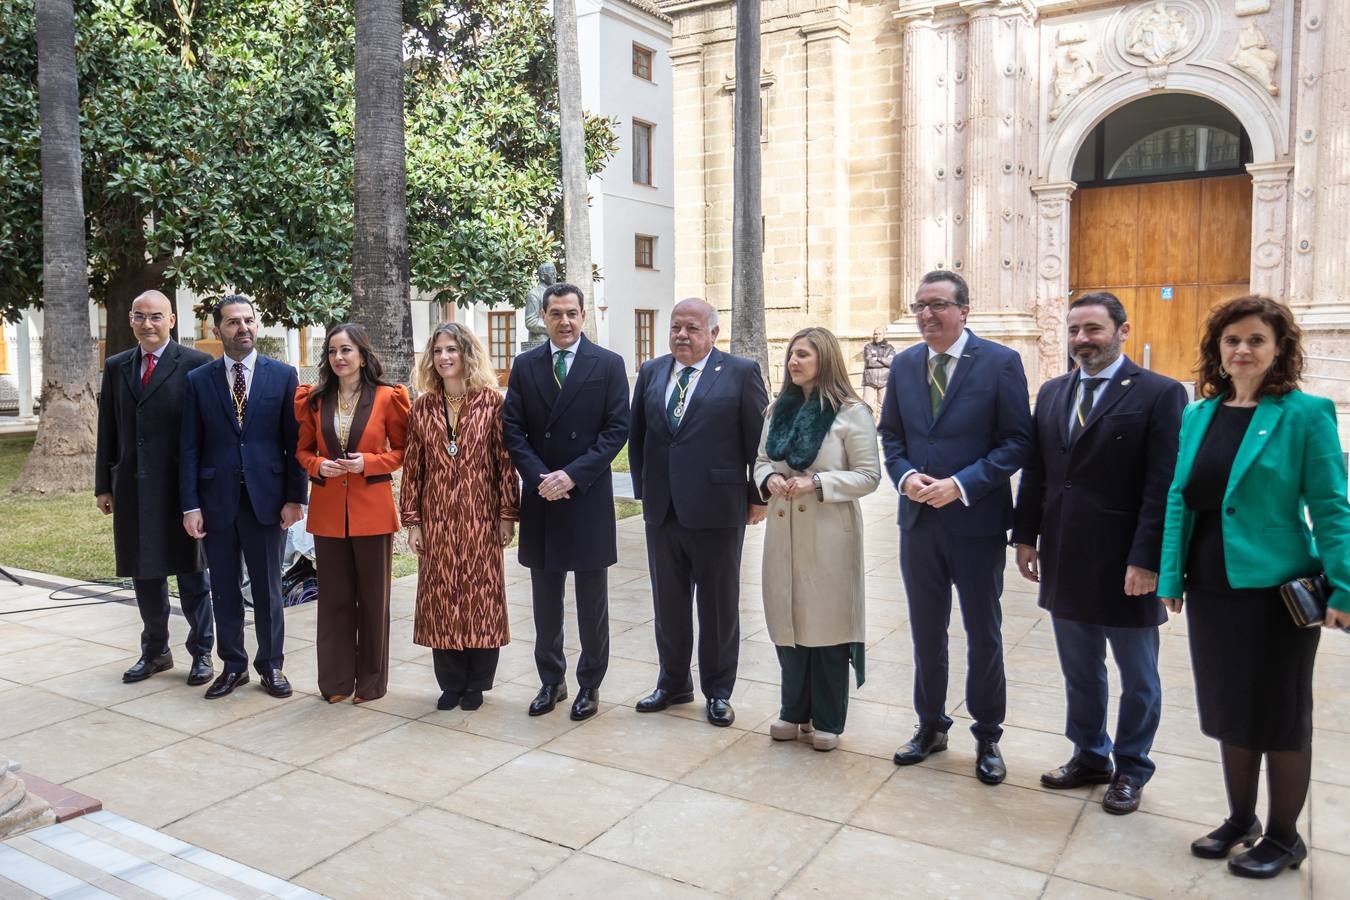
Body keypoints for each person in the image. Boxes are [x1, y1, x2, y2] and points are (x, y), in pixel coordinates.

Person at [1158, 295, 1350, 879]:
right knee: (1229, 707)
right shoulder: (1200, 414)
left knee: (1279, 715)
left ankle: (1285, 837)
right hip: (1211, 586)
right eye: (1232, 340)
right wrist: (1170, 573)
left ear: (1278, 349)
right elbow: (1180, 498)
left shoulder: (1305, 414)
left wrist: (1345, 588)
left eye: (1256, 340)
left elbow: (1332, 507)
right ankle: (1240, 819)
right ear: (1217, 350)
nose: (1242, 350)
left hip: (1276, 594)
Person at [1011, 293, 1187, 815]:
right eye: (1074, 330)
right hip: (1065, 554)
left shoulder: (1160, 393)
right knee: (1081, 670)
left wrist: (1147, 559)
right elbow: (1038, 471)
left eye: (1093, 329)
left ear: (1122, 331)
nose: (1082, 340)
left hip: (1125, 561)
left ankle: (1132, 767)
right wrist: (1026, 536)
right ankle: (1090, 754)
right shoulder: (1053, 391)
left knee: (1139, 676)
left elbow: (1163, 484)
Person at [877, 269, 1032, 785]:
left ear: (964, 310)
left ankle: (988, 735)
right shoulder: (904, 364)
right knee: (926, 631)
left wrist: (962, 485)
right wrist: (905, 478)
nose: (927, 314)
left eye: (938, 305)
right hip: (919, 522)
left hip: (976, 522)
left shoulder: (1000, 362)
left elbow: (1016, 441)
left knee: (983, 632)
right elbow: (891, 436)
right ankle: (930, 725)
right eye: (920, 305)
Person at [628, 298, 768, 727]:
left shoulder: (741, 373)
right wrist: (645, 492)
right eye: (676, 327)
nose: (681, 335)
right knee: (668, 603)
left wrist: (758, 497)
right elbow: (638, 437)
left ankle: (718, 691)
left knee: (718, 605)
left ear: (713, 333)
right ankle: (673, 683)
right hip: (663, 509)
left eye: (691, 328)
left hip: (718, 510)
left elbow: (758, 442)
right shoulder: (652, 372)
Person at [502, 282, 629, 720]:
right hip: (542, 495)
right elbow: (512, 429)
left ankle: (590, 684)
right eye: (556, 313)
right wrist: (541, 477)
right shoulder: (525, 365)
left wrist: (572, 475)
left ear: (583, 316)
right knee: (545, 600)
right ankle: (551, 680)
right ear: (544, 317)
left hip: (587, 496)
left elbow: (616, 430)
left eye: (572, 313)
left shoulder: (608, 364)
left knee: (592, 603)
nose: (565, 321)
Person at [754, 327, 880, 750]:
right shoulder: (777, 410)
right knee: (787, 617)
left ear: (825, 359)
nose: (794, 361)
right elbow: (760, 460)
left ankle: (827, 718)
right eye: (792, 354)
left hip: (829, 533)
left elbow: (869, 475)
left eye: (804, 354)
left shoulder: (851, 413)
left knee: (827, 622)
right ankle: (794, 711)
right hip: (783, 529)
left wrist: (818, 482)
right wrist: (769, 479)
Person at [181, 295, 307, 700]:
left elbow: (295, 442)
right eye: (233, 322)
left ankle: (271, 666)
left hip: (267, 501)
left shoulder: (283, 376)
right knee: (224, 589)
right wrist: (190, 505)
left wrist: (295, 498)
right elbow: (189, 447)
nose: (243, 328)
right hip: (215, 502)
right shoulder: (198, 380)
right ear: (217, 329)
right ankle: (233, 666)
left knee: (269, 589)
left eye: (249, 320)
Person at [95, 290, 215, 686]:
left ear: (172, 320)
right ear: (131, 319)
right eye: (139, 316)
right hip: (132, 487)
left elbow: (207, 433)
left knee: (192, 575)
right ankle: (155, 651)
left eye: (156, 316)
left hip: (182, 490)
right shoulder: (116, 366)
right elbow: (108, 428)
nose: (147, 324)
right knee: (144, 574)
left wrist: (204, 490)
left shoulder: (197, 364)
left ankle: (202, 652)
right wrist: (103, 485)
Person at [401, 323, 519, 711]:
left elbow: (505, 462)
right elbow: (413, 468)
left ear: (467, 354)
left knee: (481, 595)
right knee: (441, 597)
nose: (444, 357)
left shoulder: (492, 403)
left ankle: (477, 684)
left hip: (480, 515)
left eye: (451, 349)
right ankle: (450, 684)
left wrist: (506, 515)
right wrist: (414, 522)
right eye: (437, 351)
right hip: (436, 518)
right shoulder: (423, 407)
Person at [294, 324, 409, 704]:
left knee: (374, 602)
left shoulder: (388, 398)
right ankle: (336, 683)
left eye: (346, 350)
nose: (338, 358)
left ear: (362, 355)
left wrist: (369, 463)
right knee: (334, 602)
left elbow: (403, 451)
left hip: (372, 512)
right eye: (332, 351)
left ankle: (371, 684)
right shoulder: (314, 400)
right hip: (328, 513)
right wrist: (317, 466)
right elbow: (303, 451)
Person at [861, 326, 896, 420]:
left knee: (883, 406)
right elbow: (869, 362)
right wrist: (884, 361)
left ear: (883, 335)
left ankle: (879, 425)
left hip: (884, 381)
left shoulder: (890, 348)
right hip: (870, 380)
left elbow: (892, 362)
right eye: (875, 334)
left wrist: (877, 358)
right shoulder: (868, 347)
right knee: (866, 406)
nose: (877, 336)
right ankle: (867, 425)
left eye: (879, 334)